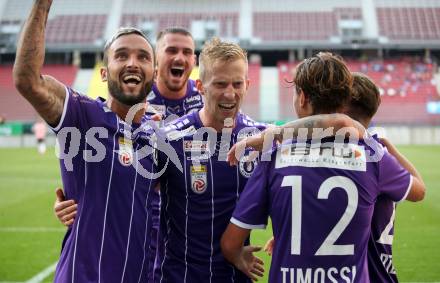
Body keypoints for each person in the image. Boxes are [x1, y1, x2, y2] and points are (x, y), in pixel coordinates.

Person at [221, 53, 425, 282]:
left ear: (303, 98)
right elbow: (419, 191)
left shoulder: (274, 156)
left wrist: (239, 255)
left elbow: (230, 243)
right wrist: (389, 151)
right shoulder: (373, 155)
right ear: (345, 100)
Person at [13, 1, 159, 281]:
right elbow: (27, 80)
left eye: (143, 57)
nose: (132, 62)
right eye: (121, 55)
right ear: (103, 72)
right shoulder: (82, 116)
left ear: (153, 72)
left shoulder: (158, 137)